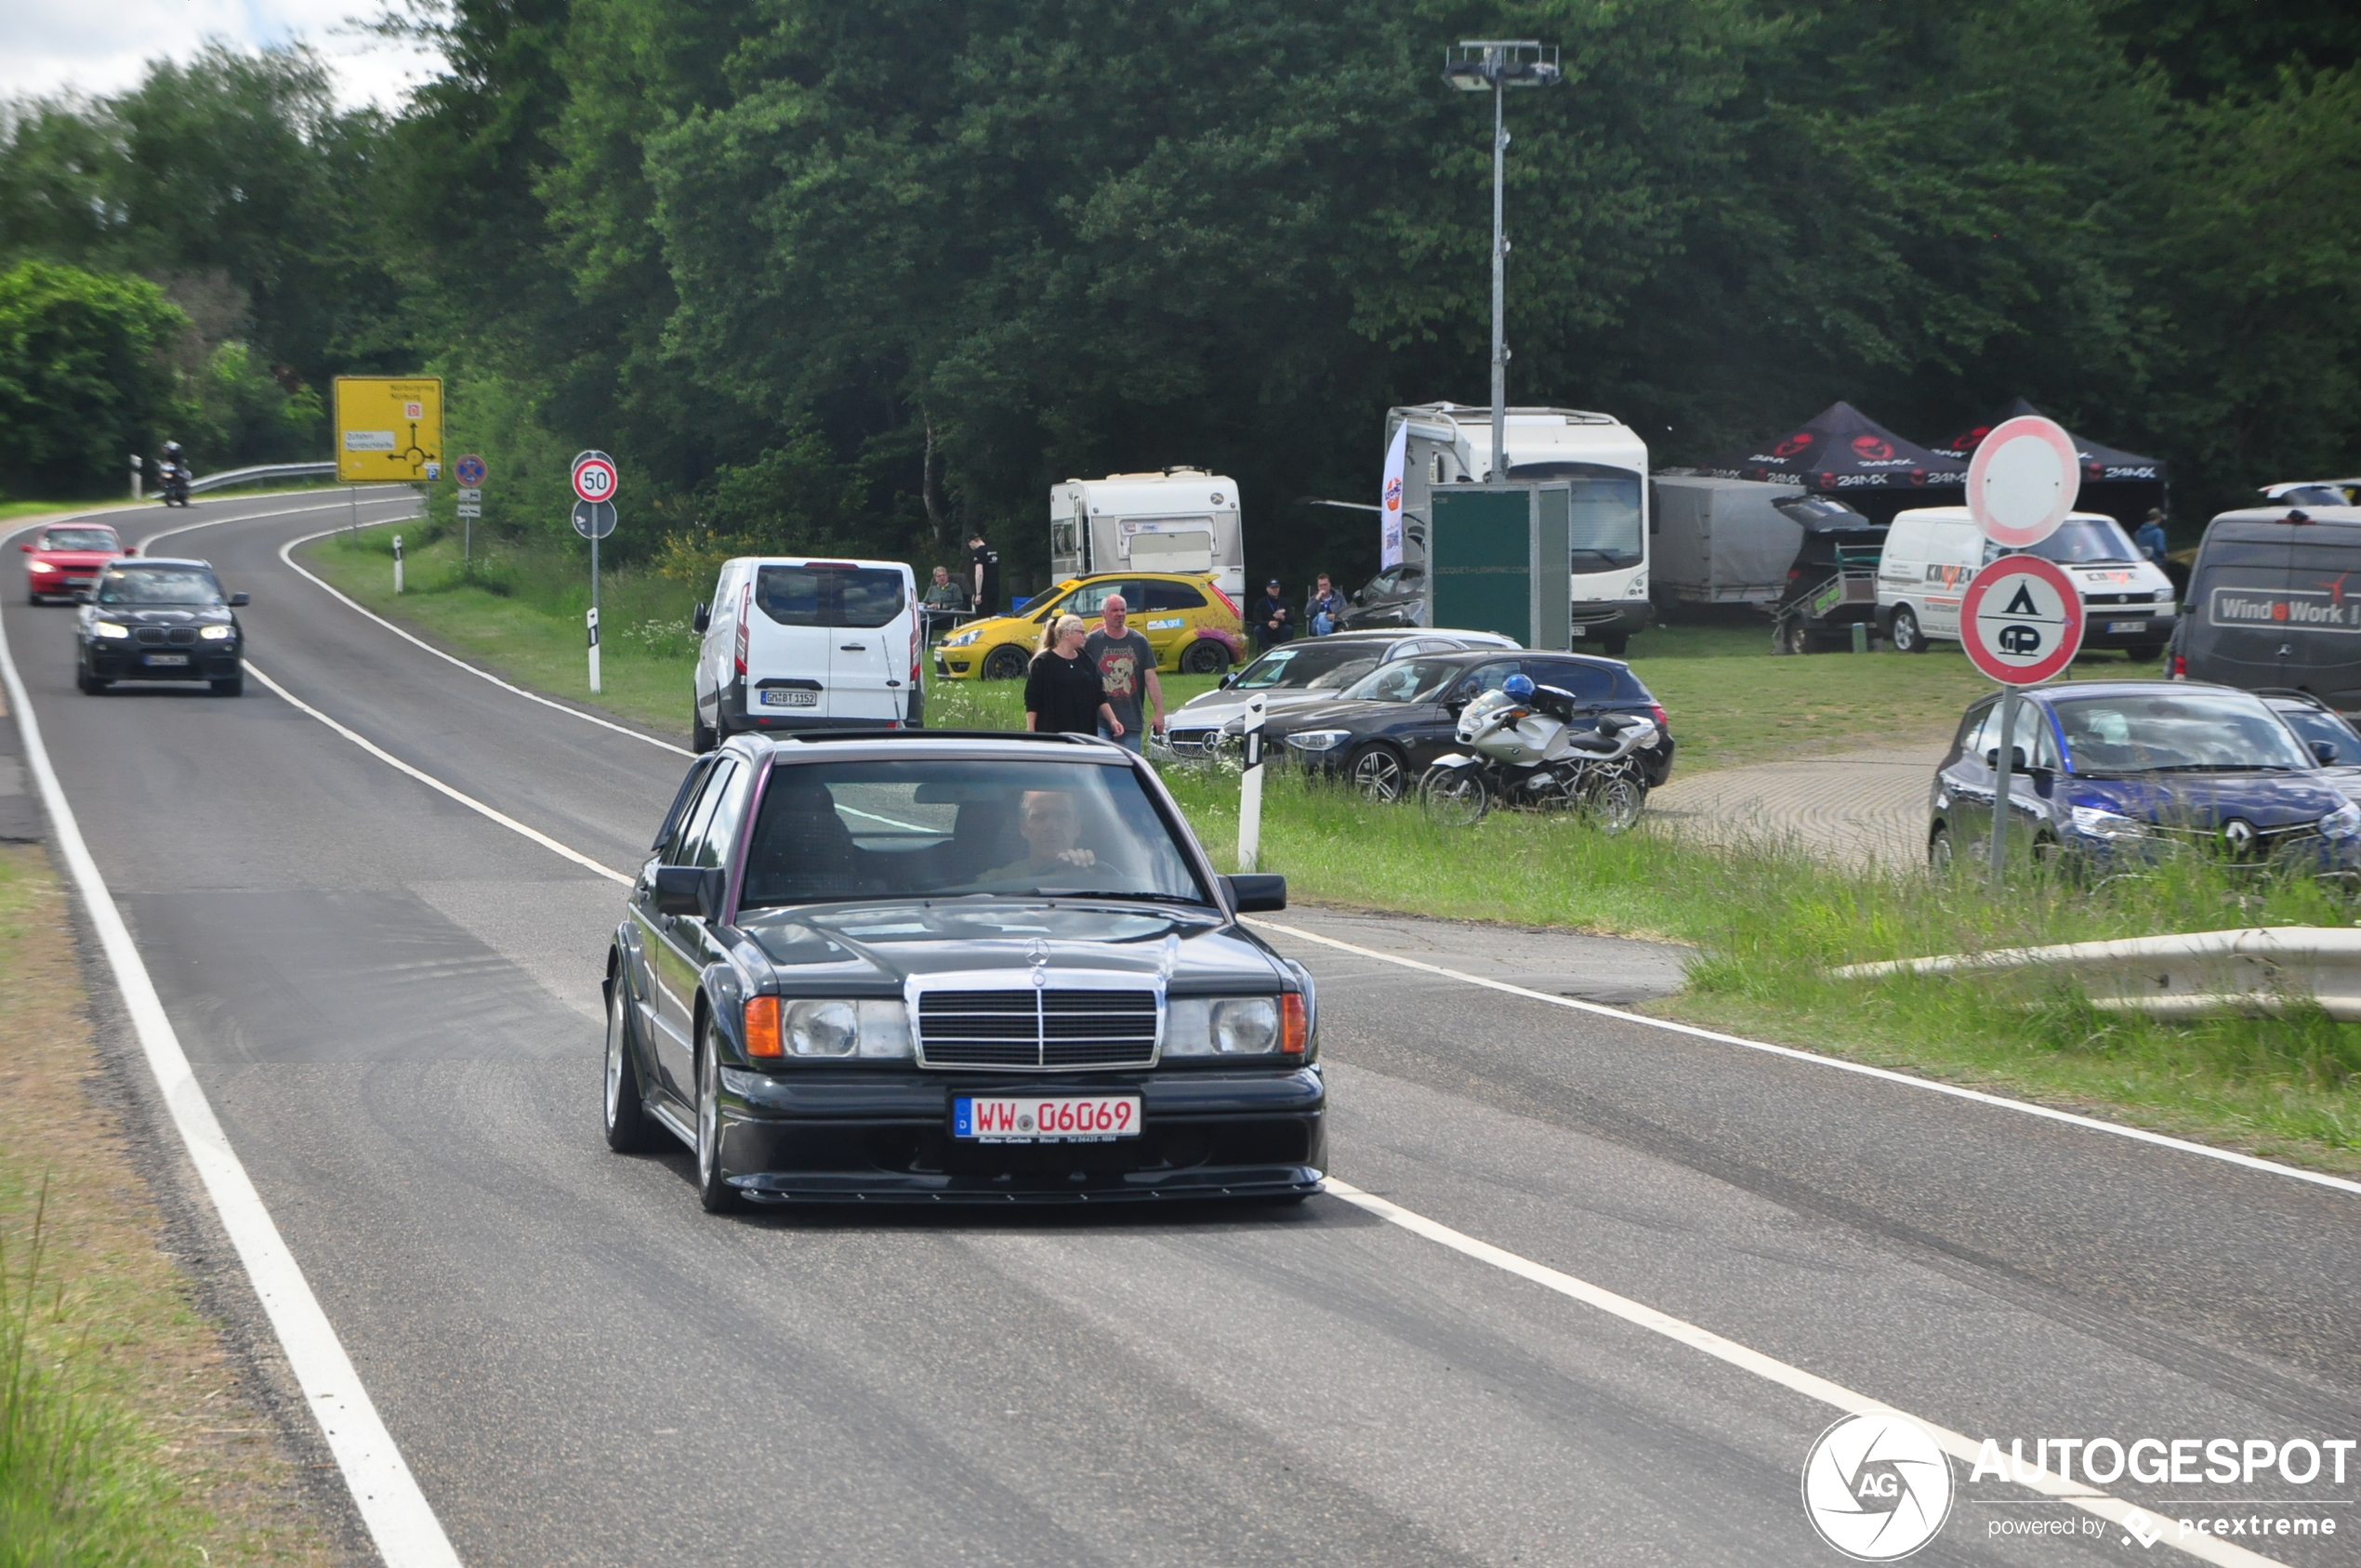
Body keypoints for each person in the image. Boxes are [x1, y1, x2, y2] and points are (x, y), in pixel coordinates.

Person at [1083, 593, 1163, 753]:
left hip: (1130, 720)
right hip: (1099, 720)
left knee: (1128, 768)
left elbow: (1151, 679)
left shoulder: (1139, 641)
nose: (1120, 614)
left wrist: (1159, 713)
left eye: (1122, 610)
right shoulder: (1091, 642)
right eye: (1114, 610)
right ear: (1103, 614)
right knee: (1101, 766)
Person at [1024, 613, 1118, 737]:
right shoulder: (1043, 663)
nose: (1085, 637)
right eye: (1081, 633)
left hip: (1084, 731)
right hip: (1053, 733)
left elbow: (1099, 695)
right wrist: (1031, 731)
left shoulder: (1085, 659)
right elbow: (1032, 700)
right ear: (1067, 634)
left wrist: (1113, 720)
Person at [983, 788, 1104, 883]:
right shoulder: (998, 881)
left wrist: (1087, 878)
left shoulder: (1097, 876)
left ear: (1077, 827)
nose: (1051, 826)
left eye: (1062, 817)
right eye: (1040, 817)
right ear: (1023, 827)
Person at [1251, 577, 1293, 652]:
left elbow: (1292, 619)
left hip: (1281, 628)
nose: (1275, 589)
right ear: (1267, 589)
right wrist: (1268, 623)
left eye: (1277, 587)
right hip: (1267, 630)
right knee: (1258, 629)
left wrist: (1283, 618)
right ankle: (1267, 652)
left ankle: (1284, 651)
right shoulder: (1261, 603)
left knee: (1288, 628)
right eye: (1272, 587)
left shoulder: (1285, 602)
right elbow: (1256, 619)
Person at [968, 532, 1001, 616]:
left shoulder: (979, 552)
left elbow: (979, 573)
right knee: (992, 615)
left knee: (982, 617)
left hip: (984, 590)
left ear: (972, 542)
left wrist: (978, 593)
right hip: (995, 589)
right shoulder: (993, 550)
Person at [1306, 572, 1344, 637]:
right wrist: (1317, 599)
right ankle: (1328, 638)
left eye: (1325, 584)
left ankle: (1324, 642)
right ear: (1318, 587)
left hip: (1333, 623)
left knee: (1319, 627)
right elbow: (1307, 613)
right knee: (1321, 615)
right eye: (1321, 585)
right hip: (1315, 623)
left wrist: (1335, 616)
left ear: (1330, 585)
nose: (1323, 587)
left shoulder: (1338, 597)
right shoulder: (1314, 598)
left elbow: (1345, 612)